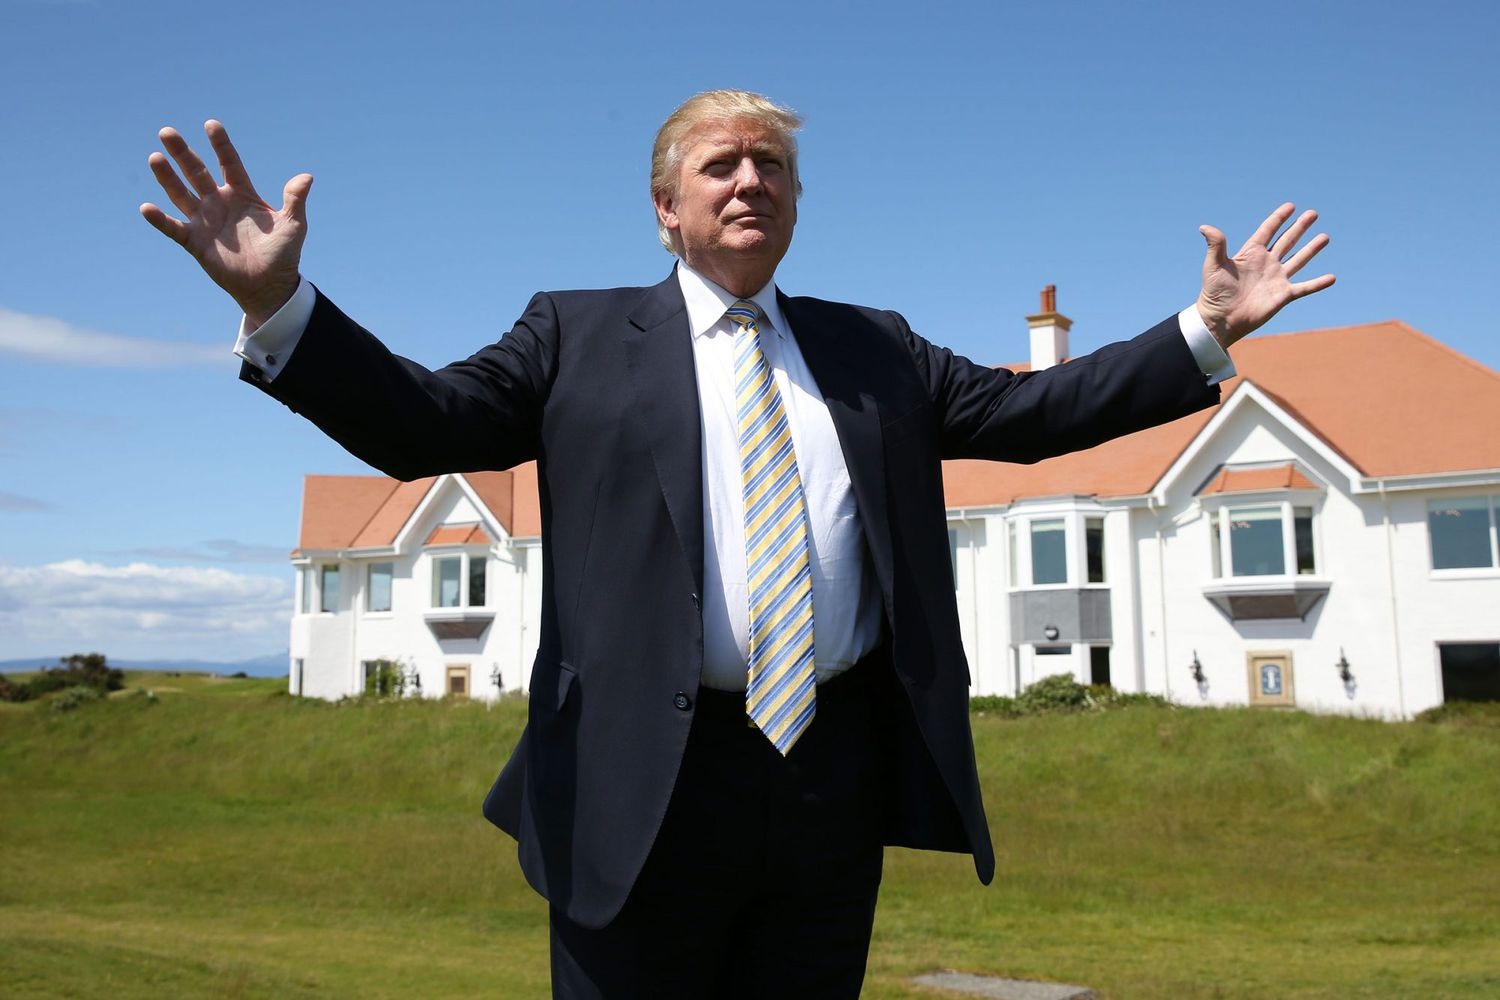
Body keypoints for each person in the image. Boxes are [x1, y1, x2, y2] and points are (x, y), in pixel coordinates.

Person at [141, 90, 1333, 999]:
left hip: (826, 773)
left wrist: (1203, 330)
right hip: (635, 786)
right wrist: (279, 306)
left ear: (796, 204)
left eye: (774, 166)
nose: (752, 180)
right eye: (722, 164)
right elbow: (424, 422)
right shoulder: (574, 336)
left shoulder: (874, 349)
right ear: (667, 207)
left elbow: (1035, 413)